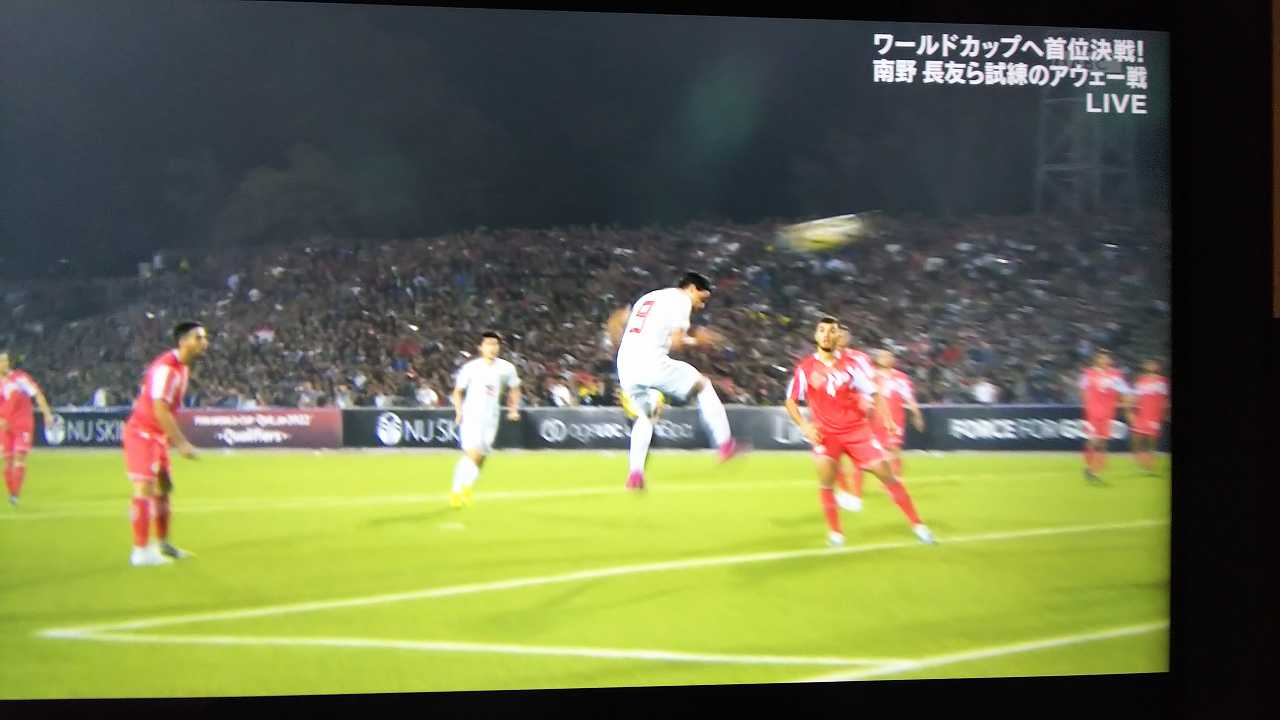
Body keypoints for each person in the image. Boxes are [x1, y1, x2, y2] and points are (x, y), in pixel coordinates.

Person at [784, 317, 934, 547]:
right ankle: (836, 534)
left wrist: (887, 420)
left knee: (886, 474)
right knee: (826, 481)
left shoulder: (852, 366)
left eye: (832, 331)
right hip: (826, 435)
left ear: (838, 337)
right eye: (822, 330)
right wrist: (804, 426)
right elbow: (790, 401)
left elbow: (874, 393)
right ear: (815, 336)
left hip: (857, 432)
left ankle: (918, 525)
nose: (826, 335)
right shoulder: (805, 368)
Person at [613, 272, 741, 491]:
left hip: (625, 366)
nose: (701, 305)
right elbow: (677, 343)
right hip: (651, 361)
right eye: (702, 298)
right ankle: (725, 444)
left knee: (647, 414)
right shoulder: (681, 300)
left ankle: (635, 475)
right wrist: (699, 341)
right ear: (691, 288)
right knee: (703, 386)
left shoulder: (649, 297)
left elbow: (619, 321)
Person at [122, 321, 209, 566]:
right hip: (142, 434)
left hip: (157, 436)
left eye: (204, 338)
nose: (204, 342)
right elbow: (160, 409)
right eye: (199, 337)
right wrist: (181, 443)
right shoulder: (167, 368)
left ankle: (163, 545)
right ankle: (140, 551)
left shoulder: (182, 367)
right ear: (183, 341)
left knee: (164, 489)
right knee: (144, 488)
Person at [449, 331, 522, 508]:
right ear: (480, 347)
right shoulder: (470, 368)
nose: (492, 348)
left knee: (481, 457)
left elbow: (514, 389)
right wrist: (459, 412)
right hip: (472, 415)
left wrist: (513, 409)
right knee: (473, 453)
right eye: (488, 344)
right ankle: (456, 490)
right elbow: (458, 391)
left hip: (491, 417)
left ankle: (467, 487)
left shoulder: (507, 368)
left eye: (495, 344)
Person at [0, 351, 56, 506]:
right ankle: (12, 492)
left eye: (5, 361)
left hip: (22, 424)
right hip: (5, 426)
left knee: (19, 457)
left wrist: (47, 414)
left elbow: (37, 394)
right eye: (1, 361)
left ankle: (15, 496)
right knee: (7, 460)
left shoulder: (19, 379)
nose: (3, 364)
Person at [1079, 349, 1131, 484]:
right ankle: (1088, 466)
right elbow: (1082, 390)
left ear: (1110, 360)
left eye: (1106, 358)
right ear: (1096, 359)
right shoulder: (1088, 373)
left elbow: (1125, 391)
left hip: (1107, 414)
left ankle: (1094, 471)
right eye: (1101, 358)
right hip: (1093, 413)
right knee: (1093, 441)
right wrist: (1088, 405)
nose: (1104, 360)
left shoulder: (1116, 375)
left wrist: (1126, 405)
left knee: (1102, 443)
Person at [1128, 359, 1169, 474]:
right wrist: (1131, 412)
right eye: (1148, 364)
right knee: (1136, 439)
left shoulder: (1162, 381)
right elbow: (1135, 398)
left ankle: (1150, 466)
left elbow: (1165, 399)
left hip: (1154, 416)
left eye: (1153, 364)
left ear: (1158, 367)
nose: (1151, 366)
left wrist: (1163, 415)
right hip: (1142, 415)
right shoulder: (1141, 380)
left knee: (1151, 442)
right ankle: (1141, 461)